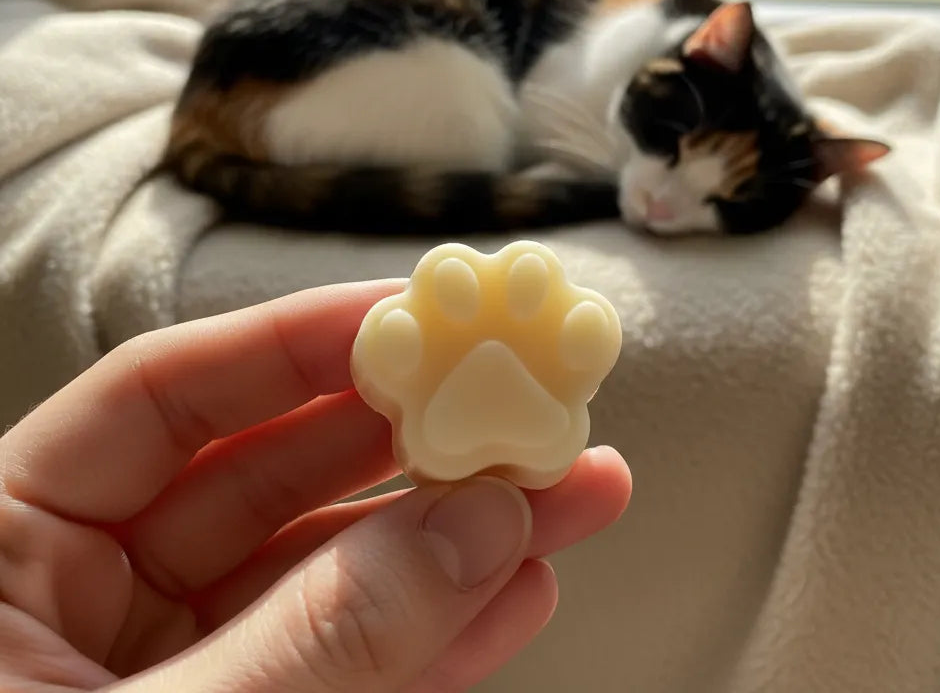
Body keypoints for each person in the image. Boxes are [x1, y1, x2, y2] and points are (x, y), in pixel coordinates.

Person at [0, 280, 632, 692]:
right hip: (483, 428)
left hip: (474, 425)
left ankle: (483, 406)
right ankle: (500, 407)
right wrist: (352, 618)